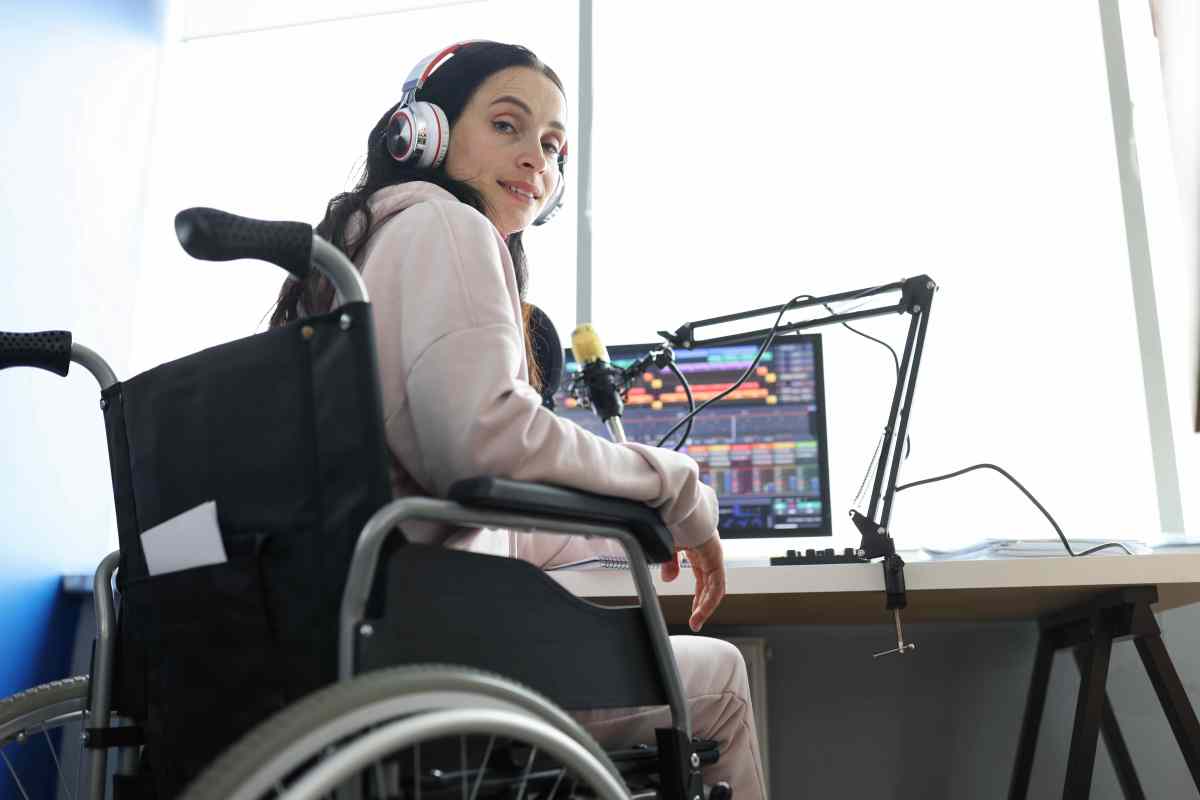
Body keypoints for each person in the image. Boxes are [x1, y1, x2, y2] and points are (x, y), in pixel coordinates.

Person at [270, 40, 767, 799]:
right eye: (507, 125)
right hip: (424, 662)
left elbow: (431, 471)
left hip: (327, 635)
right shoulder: (446, 225)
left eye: (552, 145)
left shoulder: (358, 249)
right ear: (423, 133)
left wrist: (611, 518)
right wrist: (676, 488)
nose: (537, 157)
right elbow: (484, 442)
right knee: (721, 675)